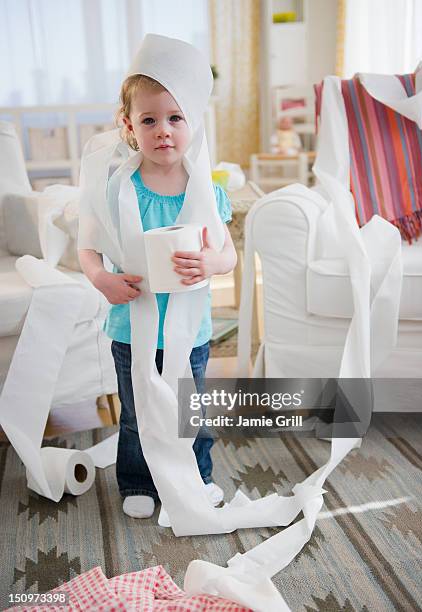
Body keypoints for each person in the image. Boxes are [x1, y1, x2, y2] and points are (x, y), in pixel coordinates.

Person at [78, 70, 237, 519]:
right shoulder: (117, 190)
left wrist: (212, 264)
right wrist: (101, 278)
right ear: (128, 126)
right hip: (132, 328)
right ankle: (137, 480)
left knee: (191, 414)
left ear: (193, 123)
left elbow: (228, 256)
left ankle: (198, 478)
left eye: (175, 117)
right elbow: (87, 247)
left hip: (191, 332)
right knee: (135, 414)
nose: (163, 129)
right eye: (149, 120)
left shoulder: (207, 191)